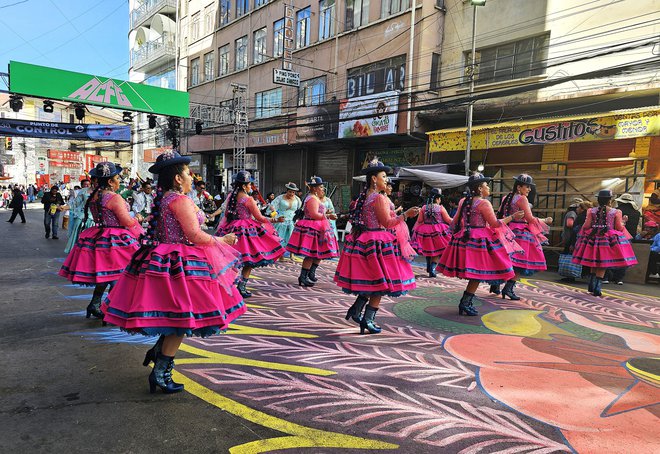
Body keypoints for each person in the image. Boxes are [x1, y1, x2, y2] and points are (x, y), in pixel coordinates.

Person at [102, 151, 245, 394]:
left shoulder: (165, 199)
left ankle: (159, 355)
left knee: (173, 317)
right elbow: (195, 236)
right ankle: (161, 372)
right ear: (178, 178)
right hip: (180, 263)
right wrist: (224, 239)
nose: (192, 177)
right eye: (188, 173)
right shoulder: (180, 201)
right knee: (181, 319)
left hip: (160, 259)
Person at [334, 159, 419, 334]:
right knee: (381, 283)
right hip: (379, 241)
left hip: (367, 239)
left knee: (373, 281)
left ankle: (357, 310)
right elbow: (388, 223)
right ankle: (367, 319)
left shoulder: (365, 197)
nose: (387, 180)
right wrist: (406, 215)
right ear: (374, 179)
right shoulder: (379, 198)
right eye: (384, 176)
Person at [59, 163, 145, 320]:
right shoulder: (114, 197)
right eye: (117, 178)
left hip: (99, 237)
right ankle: (112, 310)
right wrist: (139, 219)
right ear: (111, 181)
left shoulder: (95, 196)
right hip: (116, 241)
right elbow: (126, 221)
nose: (120, 180)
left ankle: (95, 304)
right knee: (119, 277)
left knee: (106, 275)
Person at [437, 173, 524, 316]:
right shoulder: (484, 203)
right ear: (479, 188)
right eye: (486, 185)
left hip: (464, 238)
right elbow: (495, 224)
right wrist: (512, 217)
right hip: (480, 241)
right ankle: (465, 302)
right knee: (479, 272)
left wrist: (450, 233)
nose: (488, 187)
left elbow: (455, 221)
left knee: (475, 273)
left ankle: (467, 302)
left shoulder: (463, 201)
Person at [216, 171, 285, 298]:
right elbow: (259, 217)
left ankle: (228, 284)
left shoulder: (231, 196)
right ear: (244, 186)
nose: (251, 186)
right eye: (249, 184)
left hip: (231, 229)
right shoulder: (248, 199)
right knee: (248, 261)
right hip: (247, 231)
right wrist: (274, 220)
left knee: (230, 259)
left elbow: (226, 215)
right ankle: (241, 287)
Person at [491, 174, 552, 299]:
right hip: (520, 234)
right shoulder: (522, 199)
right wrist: (545, 220)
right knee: (520, 263)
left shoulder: (506, 197)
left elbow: (500, 214)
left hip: (506, 231)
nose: (529, 189)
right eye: (527, 187)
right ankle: (508, 289)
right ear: (519, 187)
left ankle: (496, 284)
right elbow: (529, 219)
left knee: (505, 260)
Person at [572, 189, 638, 297]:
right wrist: (623, 223)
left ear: (598, 199)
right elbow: (619, 227)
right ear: (610, 200)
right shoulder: (616, 212)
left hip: (592, 238)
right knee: (603, 264)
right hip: (608, 240)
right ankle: (597, 287)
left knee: (594, 261)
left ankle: (591, 286)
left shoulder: (591, 211)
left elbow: (586, 226)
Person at [287, 176, 339, 286]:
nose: (323, 189)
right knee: (310, 254)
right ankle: (303, 277)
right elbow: (314, 214)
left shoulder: (313, 197)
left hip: (318, 226)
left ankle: (310, 274)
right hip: (313, 227)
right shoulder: (311, 198)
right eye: (321, 187)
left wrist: (326, 215)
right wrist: (328, 216)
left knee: (317, 253)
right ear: (315, 188)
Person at [411, 188, 453, 277]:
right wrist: (457, 221)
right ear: (438, 199)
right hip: (438, 231)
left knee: (428, 250)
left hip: (425, 231)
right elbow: (448, 220)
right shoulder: (440, 208)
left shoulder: (424, 208)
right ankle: (432, 269)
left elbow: (420, 220)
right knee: (436, 252)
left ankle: (429, 266)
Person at [605, 193, 643, 285]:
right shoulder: (637, 213)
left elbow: (616, 225)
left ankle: (607, 277)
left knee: (611, 256)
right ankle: (619, 279)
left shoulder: (617, 211)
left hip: (616, 235)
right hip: (629, 238)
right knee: (624, 258)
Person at [63, 178, 95, 254]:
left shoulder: (103, 192)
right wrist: (64, 207)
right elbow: (75, 203)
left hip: (96, 219)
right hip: (82, 217)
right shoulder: (83, 191)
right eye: (95, 180)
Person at [270, 182, 302, 254]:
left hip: (292, 220)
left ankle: (292, 255)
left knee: (292, 238)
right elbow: (272, 205)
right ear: (287, 191)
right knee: (281, 237)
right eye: (290, 192)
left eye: (293, 192)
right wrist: (274, 212)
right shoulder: (280, 197)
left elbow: (299, 209)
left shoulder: (297, 199)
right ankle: (280, 254)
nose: (291, 194)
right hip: (281, 219)